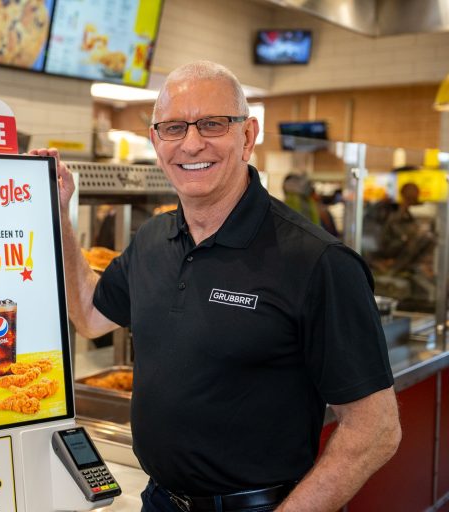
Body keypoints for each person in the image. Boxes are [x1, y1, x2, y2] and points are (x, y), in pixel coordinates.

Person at [31, 60, 400, 512]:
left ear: (247, 136)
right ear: (155, 141)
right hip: (160, 501)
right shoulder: (152, 240)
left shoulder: (317, 262)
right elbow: (88, 315)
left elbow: (376, 429)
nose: (191, 143)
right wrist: (59, 214)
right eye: (173, 128)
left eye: (212, 124)